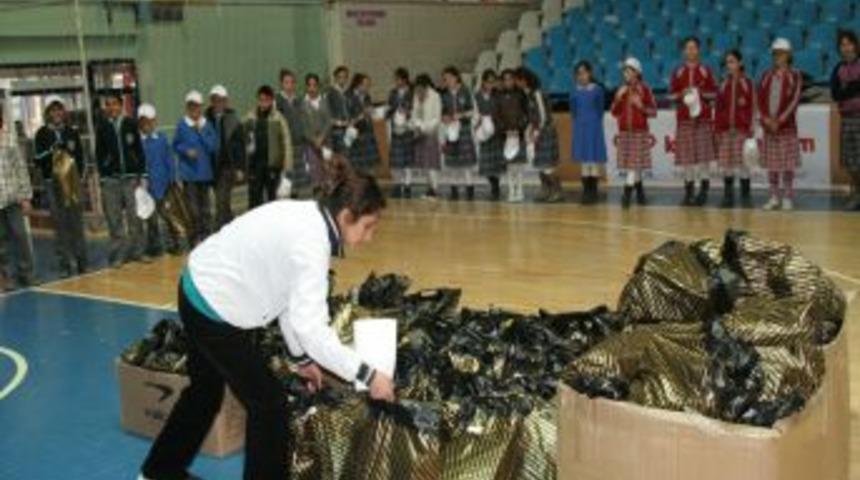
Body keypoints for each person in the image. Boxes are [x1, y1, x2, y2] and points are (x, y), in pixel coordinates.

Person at [137, 157, 396, 480]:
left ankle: (158, 471)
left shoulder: (310, 218)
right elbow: (313, 329)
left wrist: (300, 359)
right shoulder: (311, 244)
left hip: (198, 288)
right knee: (269, 405)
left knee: (205, 393)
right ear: (346, 217)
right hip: (212, 307)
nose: (369, 238)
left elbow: (288, 302)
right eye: (368, 227)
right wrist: (369, 375)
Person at [33, 97, 88, 276]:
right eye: (53, 110)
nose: (57, 113)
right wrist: (51, 151)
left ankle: (82, 261)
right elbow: (37, 160)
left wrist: (80, 178)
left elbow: (80, 157)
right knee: (60, 224)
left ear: (64, 113)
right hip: (52, 184)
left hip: (72, 184)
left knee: (76, 223)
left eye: (59, 110)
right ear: (48, 113)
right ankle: (65, 264)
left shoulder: (72, 132)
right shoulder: (41, 134)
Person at [95, 91, 146, 267]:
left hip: (131, 179)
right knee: (114, 219)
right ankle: (118, 255)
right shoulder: (102, 126)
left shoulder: (131, 124)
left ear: (121, 105)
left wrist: (142, 174)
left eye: (114, 104)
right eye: (108, 105)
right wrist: (103, 176)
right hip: (111, 180)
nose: (111, 108)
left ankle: (138, 252)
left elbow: (138, 150)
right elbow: (99, 154)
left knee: (135, 217)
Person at [670, 36, 718, 206]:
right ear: (683, 51)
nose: (690, 51)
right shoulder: (678, 72)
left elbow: (714, 94)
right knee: (687, 159)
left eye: (694, 47)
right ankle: (688, 192)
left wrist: (700, 92)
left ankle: (703, 191)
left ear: (699, 50)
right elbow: (672, 95)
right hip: (684, 121)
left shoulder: (706, 70)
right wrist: (682, 93)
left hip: (702, 120)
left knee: (703, 158)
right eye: (687, 48)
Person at [758, 38, 803, 211]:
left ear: (789, 54)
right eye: (775, 53)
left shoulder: (795, 75)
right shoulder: (766, 75)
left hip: (786, 127)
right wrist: (766, 119)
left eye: (781, 53)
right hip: (769, 128)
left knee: (787, 164)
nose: (778, 57)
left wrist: (780, 120)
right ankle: (774, 196)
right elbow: (760, 99)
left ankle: (788, 197)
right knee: (773, 165)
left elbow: (794, 100)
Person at [139, 104, 185, 256]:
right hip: (147, 188)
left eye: (151, 121)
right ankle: (154, 246)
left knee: (168, 216)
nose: (149, 125)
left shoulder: (162, 139)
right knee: (151, 219)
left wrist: (173, 179)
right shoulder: (139, 142)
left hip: (165, 186)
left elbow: (169, 159)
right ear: (140, 123)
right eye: (145, 122)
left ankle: (175, 243)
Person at [0, 93, 35, 290]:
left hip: (13, 199)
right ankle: (6, 278)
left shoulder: (10, 142)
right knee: (1, 242)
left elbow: (21, 171)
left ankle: (27, 274)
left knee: (21, 236)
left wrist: (26, 197)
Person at [612, 58, 657, 208]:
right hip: (625, 133)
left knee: (632, 166)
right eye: (624, 70)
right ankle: (640, 194)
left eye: (629, 70)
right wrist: (618, 98)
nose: (626, 73)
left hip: (639, 133)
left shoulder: (645, 89)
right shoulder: (621, 90)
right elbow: (614, 112)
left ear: (637, 72)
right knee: (634, 166)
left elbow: (653, 111)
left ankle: (626, 196)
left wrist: (641, 106)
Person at [173, 90, 217, 245]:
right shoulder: (182, 125)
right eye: (191, 106)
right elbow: (175, 145)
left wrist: (201, 132)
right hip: (189, 175)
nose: (194, 110)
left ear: (201, 107)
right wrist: (186, 151)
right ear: (187, 107)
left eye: (197, 106)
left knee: (205, 208)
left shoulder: (207, 125)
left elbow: (213, 146)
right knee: (192, 209)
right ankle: (194, 238)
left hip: (204, 174)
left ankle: (207, 237)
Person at [714, 50, 755, 208]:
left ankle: (745, 196)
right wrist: (718, 129)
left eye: (732, 61)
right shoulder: (723, 84)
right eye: (727, 62)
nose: (729, 65)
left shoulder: (748, 83)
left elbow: (753, 107)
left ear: (740, 63)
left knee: (744, 164)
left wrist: (750, 128)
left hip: (742, 131)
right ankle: (728, 196)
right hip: (725, 131)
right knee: (727, 164)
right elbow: (718, 109)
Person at [244, 85, 293, 209]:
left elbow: (287, 143)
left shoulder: (279, 118)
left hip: (273, 166)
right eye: (261, 100)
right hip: (255, 167)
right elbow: (241, 138)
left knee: (274, 201)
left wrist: (287, 168)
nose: (263, 103)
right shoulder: (250, 117)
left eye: (266, 100)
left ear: (271, 100)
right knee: (254, 201)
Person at [206, 85, 245, 230]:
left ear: (226, 101)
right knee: (223, 202)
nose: (218, 104)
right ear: (211, 101)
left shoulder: (233, 120)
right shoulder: (205, 120)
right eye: (215, 100)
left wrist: (240, 167)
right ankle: (232, 227)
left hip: (228, 166)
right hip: (211, 167)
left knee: (221, 201)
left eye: (221, 100)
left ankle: (219, 231)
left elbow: (241, 146)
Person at [521, 68, 562, 203]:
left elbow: (543, 115)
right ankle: (545, 189)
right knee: (539, 163)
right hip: (537, 132)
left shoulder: (537, 93)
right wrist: (530, 130)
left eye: (518, 80)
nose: (517, 83)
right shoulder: (528, 95)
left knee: (548, 165)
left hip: (545, 132)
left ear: (525, 80)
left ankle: (556, 191)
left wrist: (536, 131)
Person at [570, 61, 608, 205]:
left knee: (593, 160)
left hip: (594, 126)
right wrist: (580, 121)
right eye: (579, 73)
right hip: (580, 127)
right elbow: (573, 110)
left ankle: (593, 191)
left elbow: (600, 108)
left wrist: (594, 121)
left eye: (584, 72)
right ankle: (586, 191)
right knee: (585, 161)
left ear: (590, 73)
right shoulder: (574, 91)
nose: (582, 76)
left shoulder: (597, 90)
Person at [831, 30, 860, 211]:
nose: (846, 47)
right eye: (842, 44)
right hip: (847, 118)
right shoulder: (838, 69)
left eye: (849, 43)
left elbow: (845, 92)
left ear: (855, 45)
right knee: (850, 160)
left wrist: (847, 89)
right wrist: (854, 87)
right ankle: (857, 192)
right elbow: (836, 94)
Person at [440, 66, 478, 200]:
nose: (448, 80)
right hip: (450, 130)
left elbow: (472, 110)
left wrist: (460, 115)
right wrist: (445, 117)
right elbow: (443, 112)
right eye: (445, 78)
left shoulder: (466, 91)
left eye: (450, 77)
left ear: (456, 77)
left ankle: (470, 191)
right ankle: (454, 191)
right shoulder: (444, 95)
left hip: (464, 129)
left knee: (466, 164)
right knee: (452, 163)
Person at [494, 69, 529, 202]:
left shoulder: (521, 94)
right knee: (509, 165)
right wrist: (505, 130)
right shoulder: (498, 96)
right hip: (505, 135)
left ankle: (520, 189)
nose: (508, 81)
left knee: (518, 164)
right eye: (505, 79)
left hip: (518, 134)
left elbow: (526, 114)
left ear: (514, 80)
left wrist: (519, 129)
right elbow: (496, 116)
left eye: (510, 79)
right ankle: (511, 190)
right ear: (502, 81)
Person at [411, 73, 443, 199]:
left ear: (426, 86)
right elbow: (414, 114)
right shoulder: (416, 96)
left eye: (420, 88)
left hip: (431, 133)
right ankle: (429, 188)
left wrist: (425, 127)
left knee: (431, 163)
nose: (418, 91)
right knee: (423, 164)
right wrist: (418, 125)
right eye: (417, 89)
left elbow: (437, 117)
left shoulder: (435, 96)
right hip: (419, 133)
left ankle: (435, 189)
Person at [475, 69, 505, 201]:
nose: (491, 85)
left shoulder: (498, 95)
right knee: (486, 164)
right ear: (483, 82)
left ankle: (496, 187)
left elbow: (502, 111)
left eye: (493, 82)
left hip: (496, 131)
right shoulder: (477, 96)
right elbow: (475, 113)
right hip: (483, 132)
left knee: (496, 164)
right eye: (488, 82)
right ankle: (492, 183)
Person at [276, 69, 307, 192]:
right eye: (286, 82)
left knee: (297, 184)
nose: (290, 85)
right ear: (281, 84)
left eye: (292, 82)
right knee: (286, 183)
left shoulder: (299, 100)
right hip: (286, 148)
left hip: (299, 145)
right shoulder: (277, 101)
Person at [300, 74, 332, 192]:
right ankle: (317, 194)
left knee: (328, 169)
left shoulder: (324, 100)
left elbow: (329, 121)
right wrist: (314, 140)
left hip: (326, 141)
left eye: (314, 85)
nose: (312, 88)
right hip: (310, 143)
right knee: (315, 170)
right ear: (306, 87)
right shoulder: (303, 103)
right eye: (310, 85)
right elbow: (303, 126)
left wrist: (322, 137)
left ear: (318, 86)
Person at [387, 67, 416, 198]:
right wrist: (389, 112)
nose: (396, 81)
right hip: (395, 128)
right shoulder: (392, 93)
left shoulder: (412, 92)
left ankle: (408, 185)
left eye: (398, 79)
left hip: (407, 128)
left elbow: (416, 109)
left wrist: (408, 113)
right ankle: (398, 185)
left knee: (407, 159)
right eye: (395, 79)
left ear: (405, 79)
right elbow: (390, 108)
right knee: (396, 160)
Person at [345, 73, 381, 175]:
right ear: (358, 84)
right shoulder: (348, 97)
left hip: (368, 131)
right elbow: (347, 118)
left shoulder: (367, 96)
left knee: (370, 165)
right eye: (366, 85)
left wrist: (372, 112)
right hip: (355, 133)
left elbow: (369, 111)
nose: (368, 87)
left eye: (369, 85)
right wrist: (362, 114)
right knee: (357, 165)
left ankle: (368, 184)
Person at [326, 65, 351, 155]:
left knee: (349, 154)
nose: (342, 80)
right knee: (341, 156)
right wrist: (340, 123)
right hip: (337, 130)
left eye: (345, 77)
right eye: (340, 77)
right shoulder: (330, 93)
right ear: (335, 78)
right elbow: (328, 114)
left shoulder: (348, 92)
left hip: (349, 129)